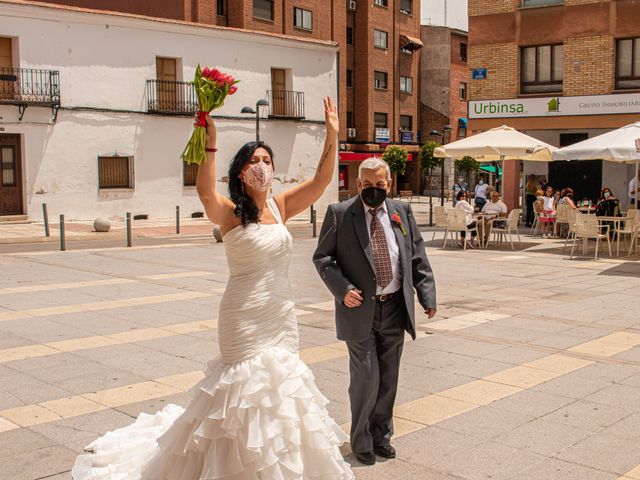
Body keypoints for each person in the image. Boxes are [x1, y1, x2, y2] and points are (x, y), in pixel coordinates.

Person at [72, 98, 356, 479]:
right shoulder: (230, 213)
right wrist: (210, 143)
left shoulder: (281, 206)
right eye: (253, 161)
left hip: (280, 314)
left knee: (280, 390)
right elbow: (205, 192)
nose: (261, 167)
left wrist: (332, 133)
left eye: (267, 161)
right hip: (242, 316)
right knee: (240, 391)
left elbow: (322, 182)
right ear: (240, 173)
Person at [313, 158, 437, 466]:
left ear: (389, 184)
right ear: (357, 185)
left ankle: (382, 435)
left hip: (394, 305)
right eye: (367, 185)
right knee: (366, 377)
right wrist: (342, 290)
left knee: (388, 378)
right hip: (359, 309)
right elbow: (323, 258)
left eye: (379, 185)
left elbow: (416, 256)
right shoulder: (340, 214)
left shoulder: (401, 212)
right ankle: (361, 439)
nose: (373, 190)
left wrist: (427, 295)